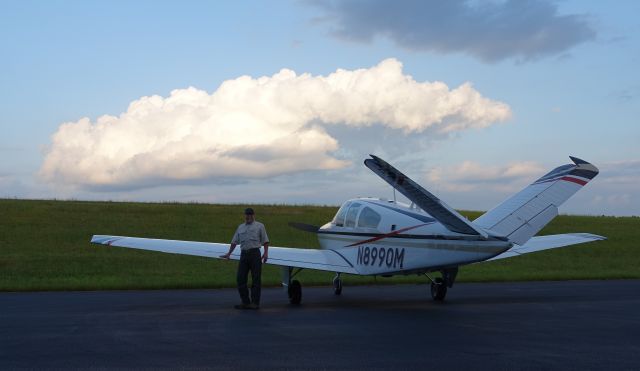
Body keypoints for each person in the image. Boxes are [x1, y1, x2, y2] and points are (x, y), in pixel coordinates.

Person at [220, 207, 269, 310]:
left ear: (253, 215)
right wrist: (229, 253)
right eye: (247, 214)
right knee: (240, 278)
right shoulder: (240, 227)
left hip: (255, 254)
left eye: (250, 214)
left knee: (256, 279)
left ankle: (255, 303)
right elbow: (234, 242)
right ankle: (245, 302)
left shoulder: (260, 226)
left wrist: (265, 253)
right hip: (244, 254)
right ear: (245, 215)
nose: (248, 216)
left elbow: (265, 241)